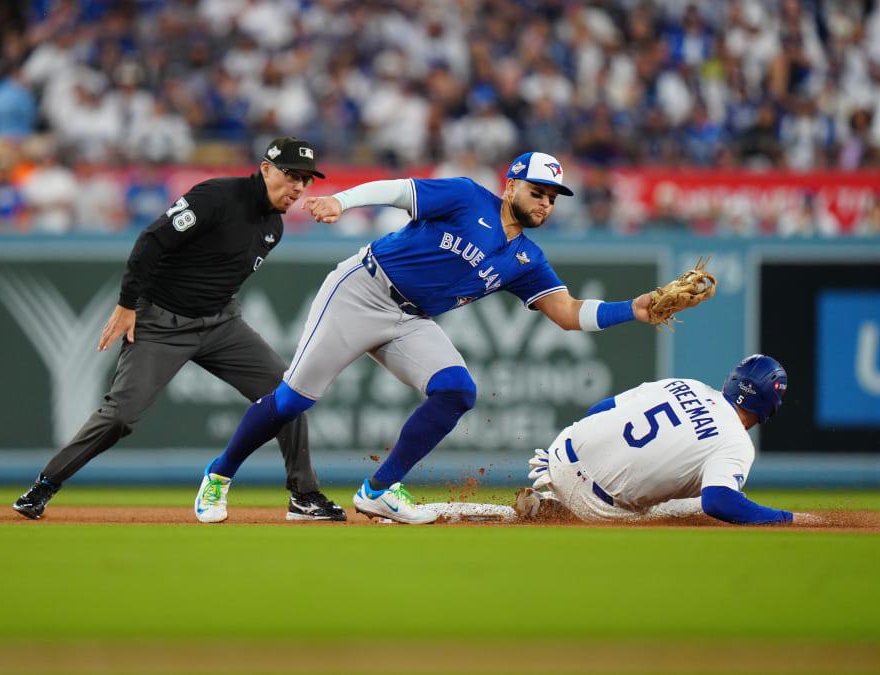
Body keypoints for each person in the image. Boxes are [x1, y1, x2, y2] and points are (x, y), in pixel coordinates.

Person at [195, 152, 682, 525]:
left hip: (410, 319)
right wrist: (341, 201)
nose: (545, 203)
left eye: (553, 198)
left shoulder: (526, 259)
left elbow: (569, 313)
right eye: (538, 191)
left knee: (456, 390)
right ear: (511, 184)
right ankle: (218, 475)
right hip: (362, 290)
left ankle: (380, 490)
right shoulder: (468, 197)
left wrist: (634, 310)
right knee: (293, 399)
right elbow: (396, 191)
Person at [13, 137, 346, 522]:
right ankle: (45, 484)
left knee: (288, 393)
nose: (300, 188)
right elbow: (152, 240)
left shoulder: (273, 226)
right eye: (293, 176)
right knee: (121, 415)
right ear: (267, 168)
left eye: (306, 181)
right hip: (161, 323)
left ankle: (304, 495)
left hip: (221, 324)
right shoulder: (217, 196)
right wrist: (127, 305)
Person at [517, 354, 820, 525]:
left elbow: (602, 409)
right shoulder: (737, 443)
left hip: (559, 453)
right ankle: (562, 505)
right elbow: (719, 502)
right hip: (595, 506)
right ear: (770, 405)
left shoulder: (686, 384)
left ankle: (550, 502)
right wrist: (788, 519)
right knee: (698, 509)